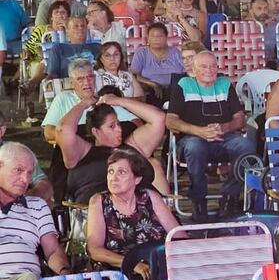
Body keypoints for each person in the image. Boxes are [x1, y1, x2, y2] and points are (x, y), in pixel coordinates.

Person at [166, 51, 255, 222]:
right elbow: (170, 120)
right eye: (204, 66)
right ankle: (198, 201)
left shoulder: (224, 84)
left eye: (213, 66)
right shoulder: (184, 85)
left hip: (224, 137)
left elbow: (240, 118)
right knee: (195, 146)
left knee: (246, 146)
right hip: (193, 138)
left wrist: (225, 127)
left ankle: (229, 197)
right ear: (194, 69)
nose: (210, 70)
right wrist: (199, 131)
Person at [0, 142, 70, 280]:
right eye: (18, 170)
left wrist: (64, 273)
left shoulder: (37, 206)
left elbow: (52, 250)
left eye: (30, 173)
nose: (25, 179)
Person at [57, 89, 168, 203]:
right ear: (96, 131)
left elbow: (158, 118)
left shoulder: (131, 147)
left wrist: (119, 101)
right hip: (100, 207)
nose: (119, 129)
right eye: (112, 126)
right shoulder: (82, 153)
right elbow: (63, 130)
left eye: (118, 124)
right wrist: (83, 104)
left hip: (143, 205)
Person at [86, 147, 179, 277]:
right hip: (119, 273)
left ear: (137, 179)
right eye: (111, 171)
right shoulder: (99, 202)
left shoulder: (150, 197)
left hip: (158, 269)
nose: (113, 178)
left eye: (121, 172)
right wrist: (132, 264)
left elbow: (178, 236)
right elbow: (94, 250)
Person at [131, 22, 185, 102]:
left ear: (166, 37)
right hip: (150, 89)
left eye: (160, 36)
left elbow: (186, 73)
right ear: (148, 38)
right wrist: (153, 84)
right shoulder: (141, 53)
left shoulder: (176, 52)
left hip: (175, 90)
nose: (156, 39)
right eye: (153, 36)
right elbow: (134, 76)